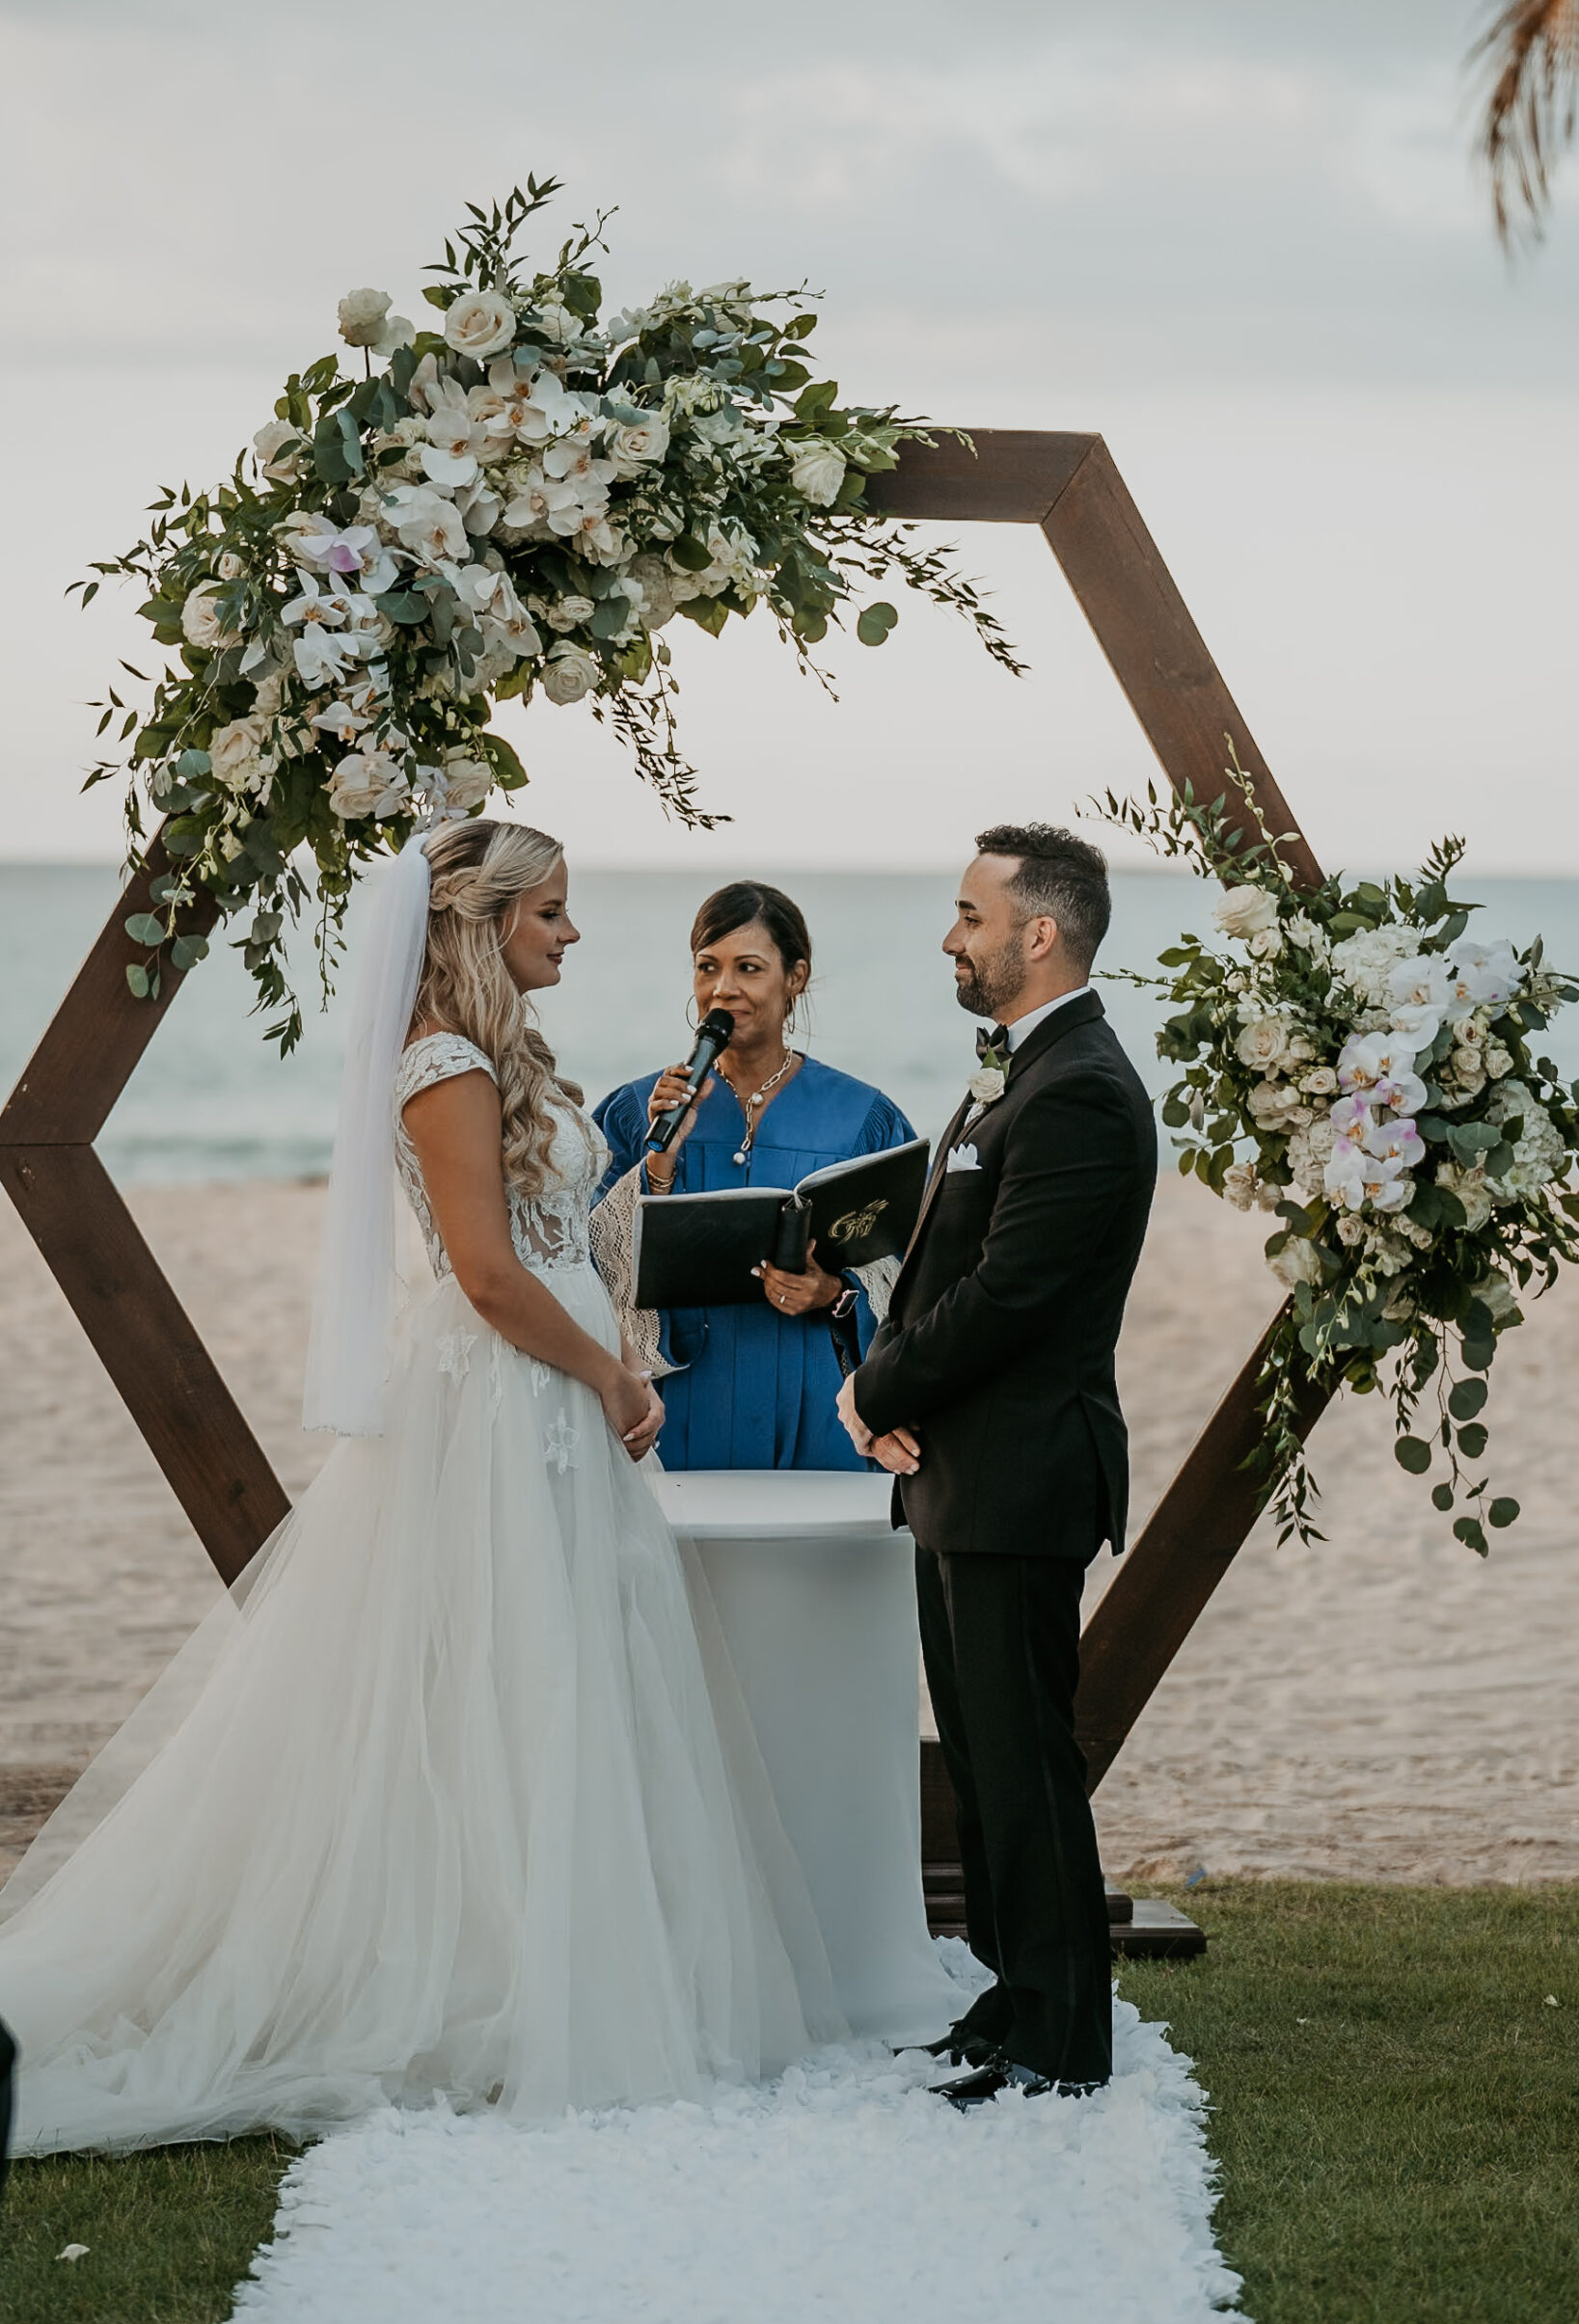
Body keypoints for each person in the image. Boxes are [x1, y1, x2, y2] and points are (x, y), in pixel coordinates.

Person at [0, 819, 840, 2155]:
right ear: (482, 923)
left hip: (546, 1388)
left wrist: (643, 1185)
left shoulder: (502, 1060)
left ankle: (549, 1963)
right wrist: (614, 1383)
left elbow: (558, 1240)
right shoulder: (443, 1063)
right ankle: (488, 1989)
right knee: (515, 1675)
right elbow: (488, 1279)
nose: (569, 932)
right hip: (512, 1400)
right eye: (550, 912)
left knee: (560, 1674)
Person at [840, 823, 1157, 2105]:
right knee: (979, 1758)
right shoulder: (1017, 1073)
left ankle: (1059, 2041)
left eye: (969, 915)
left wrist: (874, 1386)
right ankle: (1013, 1996)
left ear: (1036, 934)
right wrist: (895, 1401)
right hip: (962, 1475)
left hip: (1023, 1476)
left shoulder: (1078, 1085)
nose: (949, 937)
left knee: (1023, 1765)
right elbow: (943, 1267)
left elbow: (1014, 1292)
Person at [594, 882, 914, 1470]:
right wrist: (659, 1161)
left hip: (819, 1409)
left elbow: (916, 1271)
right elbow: (583, 1261)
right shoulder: (635, 1110)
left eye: (749, 968)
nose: (723, 988)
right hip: (682, 1406)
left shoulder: (861, 1117)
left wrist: (836, 1294)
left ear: (794, 977)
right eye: (707, 967)